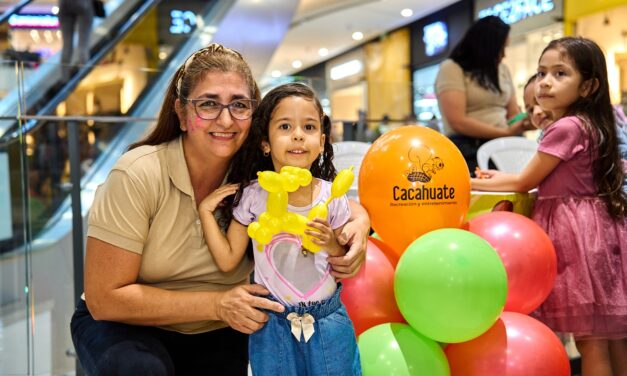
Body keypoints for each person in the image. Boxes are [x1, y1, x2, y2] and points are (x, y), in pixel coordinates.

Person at [70, 44, 369, 375]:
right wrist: (216, 304)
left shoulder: (259, 176)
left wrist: (360, 218)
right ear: (181, 113)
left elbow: (317, 196)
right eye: (209, 104)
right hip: (130, 325)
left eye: (239, 105)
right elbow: (104, 299)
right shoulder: (139, 173)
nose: (226, 119)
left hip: (219, 326)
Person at [472, 37, 626, 376]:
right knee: (611, 337)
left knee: (590, 340)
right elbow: (539, 176)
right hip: (600, 230)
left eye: (560, 74)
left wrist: (469, 182)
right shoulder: (592, 123)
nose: (545, 82)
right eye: (542, 72)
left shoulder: (566, 126)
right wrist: (498, 176)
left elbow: (523, 182)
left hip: (576, 236)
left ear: (589, 86)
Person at [199, 82, 361, 375]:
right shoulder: (253, 196)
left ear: (322, 142)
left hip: (327, 322)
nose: (298, 135)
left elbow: (341, 262)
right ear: (265, 142)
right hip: (271, 324)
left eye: (309, 128)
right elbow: (227, 260)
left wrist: (331, 243)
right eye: (285, 126)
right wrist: (205, 213)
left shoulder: (332, 196)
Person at [435, 16, 527, 173]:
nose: (504, 55)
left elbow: (513, 113)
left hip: (505, 143)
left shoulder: (503, 70)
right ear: (486, 47)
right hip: (469, 147)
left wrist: (525, 120)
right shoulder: (451, 68)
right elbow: (458, 121)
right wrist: (504, 133)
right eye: (501, 48)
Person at [58, 0, 94, 81]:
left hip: (65, 4)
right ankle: (83, 78)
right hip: (84, 4)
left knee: (66, 45)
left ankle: (64, 80)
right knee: (83, 45)